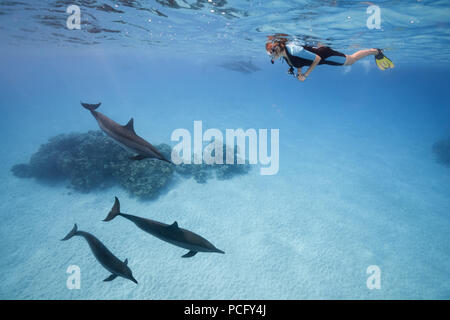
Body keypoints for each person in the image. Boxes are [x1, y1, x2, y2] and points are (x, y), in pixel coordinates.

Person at [266, 38, 394, 81]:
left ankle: (376, 51)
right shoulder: (285, 57)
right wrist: (299, 73)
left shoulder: (294, 50)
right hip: (321, 56)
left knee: (351, 60)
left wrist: (306, 75)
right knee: (350, 61)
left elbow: (316, 58)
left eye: (271, 53)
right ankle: (376, 51)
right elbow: (298, 62)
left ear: (277, 48)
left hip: (324, 55)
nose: (271, 57)